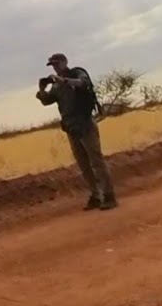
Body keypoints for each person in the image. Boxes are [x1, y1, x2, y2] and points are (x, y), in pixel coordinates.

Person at [36, 53, 117, 210]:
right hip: (71, 127)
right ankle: (96, 195)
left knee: (96, 162)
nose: (55, 67)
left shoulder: (77, 73)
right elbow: (47, 101)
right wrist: (41, 90)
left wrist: (64, 81)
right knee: (84, 165)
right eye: (52, 64)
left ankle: (109, 195)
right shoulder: (56, 85)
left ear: (65, 62)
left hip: (85, 124)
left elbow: (83, 83)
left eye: (57, 63)